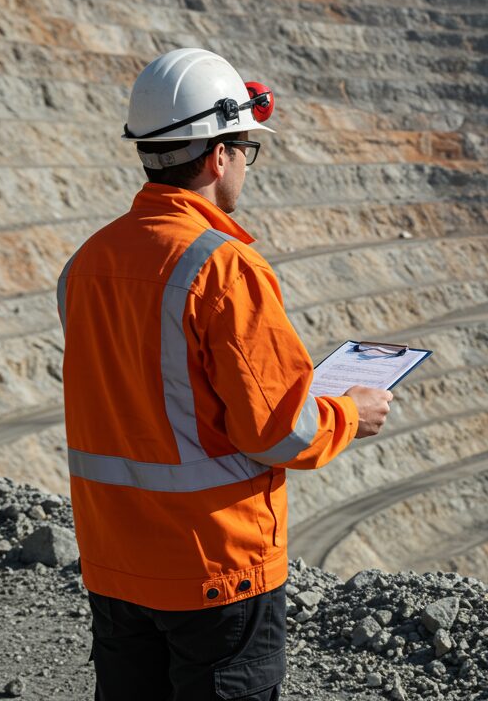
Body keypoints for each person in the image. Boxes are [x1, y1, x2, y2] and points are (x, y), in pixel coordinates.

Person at [57, 48, 392, 700]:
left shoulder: (87, 263)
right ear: (219, 156)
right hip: (216, 572)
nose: (245, 164)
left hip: (115, 563)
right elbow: (278, 433)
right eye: (246, 149)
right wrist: (351, 413)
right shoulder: (224, 269)